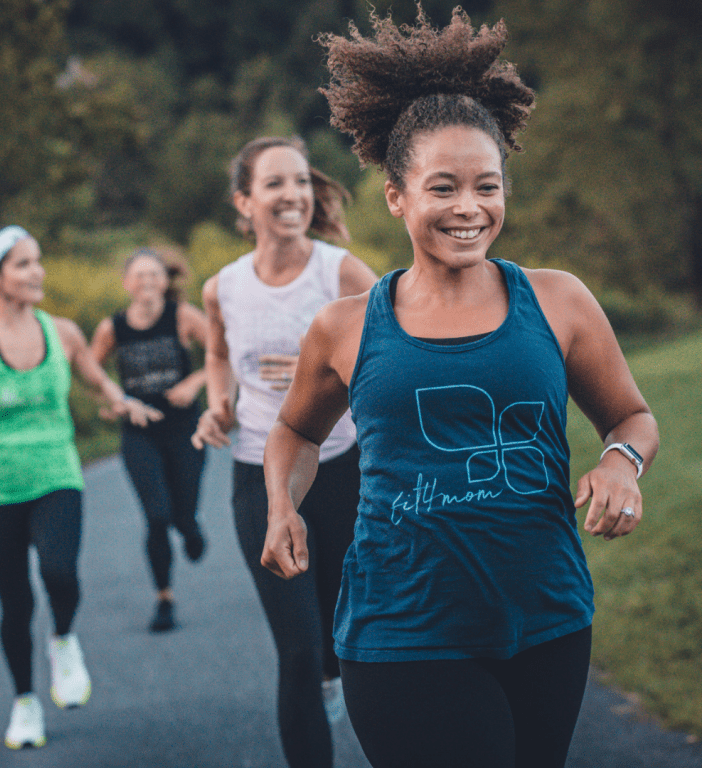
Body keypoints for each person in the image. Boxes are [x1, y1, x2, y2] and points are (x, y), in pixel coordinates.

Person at [260, 8, 660, 768]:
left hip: (546, 620)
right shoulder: (344, 328)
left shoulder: (558, 301)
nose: (469, 207)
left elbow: (632, 416)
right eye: (442, 187)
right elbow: (296, 433)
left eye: (487, 185)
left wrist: (619, 464)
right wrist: (283, 503)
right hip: (401, 629)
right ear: (395, 196)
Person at [0, 227, 162, 750]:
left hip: (57, 473)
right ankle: (25, 704)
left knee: (60, 574)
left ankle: (62, 639)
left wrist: (120, 400)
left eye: (37, 260)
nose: (36, 271)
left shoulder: (62, 332)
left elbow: (93, 378)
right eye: (21, 264)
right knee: (14, 604)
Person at [191, 136, 377, 768]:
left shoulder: (340, 272)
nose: (294, 194)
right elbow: (218, 356)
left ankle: (332, 670)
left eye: (300, 180)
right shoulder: (223, 287)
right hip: (260, 477)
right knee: (296, 649)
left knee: (338, 636)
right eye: (274, 183)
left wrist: (317, 356)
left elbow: (397, 352)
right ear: (245, 202)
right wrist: (218, 402)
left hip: (344, 471)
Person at [90, 248, 208, 632]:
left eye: (154, 275)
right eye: (139, 276)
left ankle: (190, 527)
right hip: (140, 435)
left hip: (185, 430)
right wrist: (115, 403)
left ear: (165, 280)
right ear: (127, 284)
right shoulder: (113, 328)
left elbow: (223, 353)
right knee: (157, 516)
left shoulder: (183, 317)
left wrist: (195, 382)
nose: (147, 283)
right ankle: (164, 599)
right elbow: (91, 374)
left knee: (183, 513)